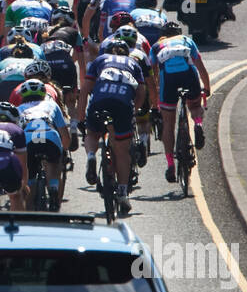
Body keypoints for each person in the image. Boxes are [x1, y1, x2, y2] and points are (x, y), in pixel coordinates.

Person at [84, 37, 146, 212]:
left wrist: (81, 120)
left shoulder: (100, 60)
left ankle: (90, 156)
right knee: (121, 149)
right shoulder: (134, 63)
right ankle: (123, 192)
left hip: (100, 101)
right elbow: (141, 92)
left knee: (92, 133)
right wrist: (134, 111)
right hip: (123, 104)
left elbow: (85, 91)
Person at [148, 20, 211, 184]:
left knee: (168, 124)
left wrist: (155, 95)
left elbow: (153, 74)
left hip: (168, 80)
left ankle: (170, 164)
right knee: (195, 106)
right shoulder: (187, 40)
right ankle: (197, 124)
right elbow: (200, 66)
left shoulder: (157, 46)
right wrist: (207, 87)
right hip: (188, 75)